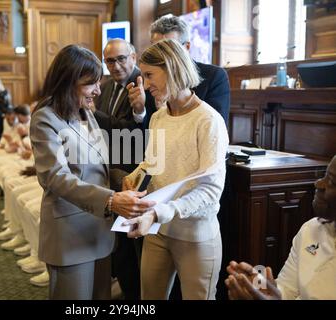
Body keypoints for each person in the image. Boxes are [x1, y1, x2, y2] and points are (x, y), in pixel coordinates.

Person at [30, 44, 156, 300]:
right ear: (69, 81)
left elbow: (99, 164)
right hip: (70, 234)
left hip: (99, 231)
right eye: (92, 84)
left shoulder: (86, 113)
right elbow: (55, 177)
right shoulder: (45, 119)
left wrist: (124, 180)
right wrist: (110, 200)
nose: (98, 90)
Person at [122, 39, 229, 300]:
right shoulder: (158, 117)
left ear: (172, 67)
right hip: (158, 231)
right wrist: (133, 177)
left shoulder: (208, 120)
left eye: (149, 75)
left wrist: (159, 213)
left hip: (195, 235)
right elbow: (152, 164)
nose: (145, 85)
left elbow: (211, 190)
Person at [94, 38, 156, 300]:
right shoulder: (106, 87)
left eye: (121, 58)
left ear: (133, 56)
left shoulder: (146, 84)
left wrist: (140, 111)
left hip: (137, 178)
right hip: (110, 173)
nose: (116, 65)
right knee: (119, 250)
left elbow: (138, 134)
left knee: (135, 248)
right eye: (110, 60)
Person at [225, 155, 336, 300]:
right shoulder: (311, 229)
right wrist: (264, 293)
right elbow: (287, 290)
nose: (319, 184)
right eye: (324, 176)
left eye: (332, 182)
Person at [146, 15, 230, 125]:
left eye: (169, 49)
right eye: (156, 48)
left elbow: (215, 126)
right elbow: (144, 131)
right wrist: (139, 112)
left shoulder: (214, 76)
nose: (162, 56)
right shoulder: (149, 77)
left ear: (187, 47)